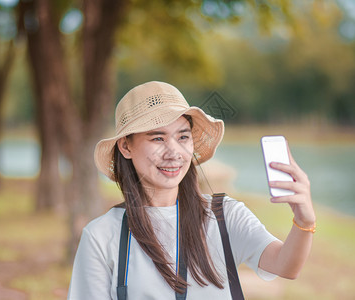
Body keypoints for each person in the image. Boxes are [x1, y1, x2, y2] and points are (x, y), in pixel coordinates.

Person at [67, 81, 316, 299]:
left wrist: (303, 221)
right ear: (126, 147)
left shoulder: (224, 216)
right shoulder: (101, 236)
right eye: (158, 138)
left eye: (183, 137)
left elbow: (285, 266)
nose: (174, 152)